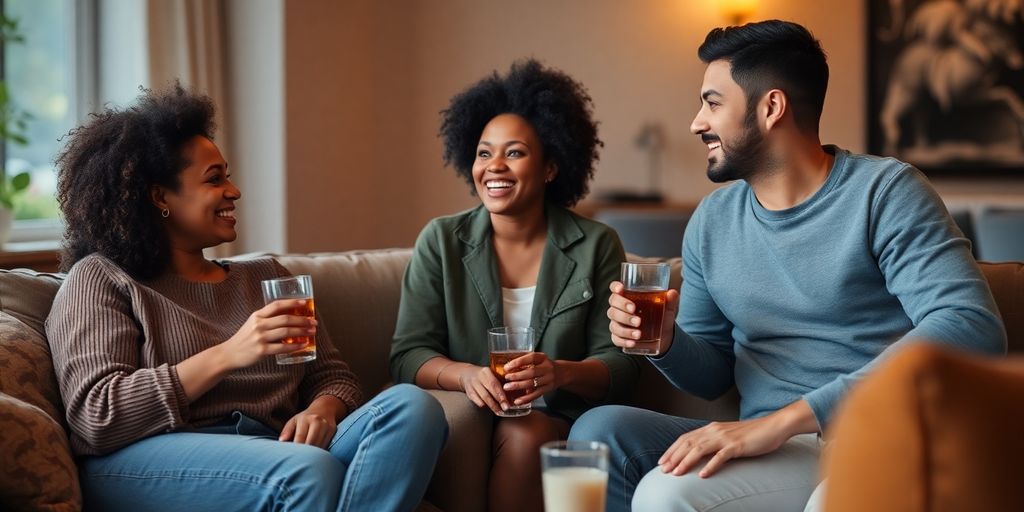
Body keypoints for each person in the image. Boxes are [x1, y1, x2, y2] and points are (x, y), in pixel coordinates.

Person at [569, 19, 1007, 512]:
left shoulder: (884, 193)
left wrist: (783, 421)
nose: (696, 122)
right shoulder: (712, 221)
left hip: (873, 435)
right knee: (599, 432)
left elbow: (972, 325)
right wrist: (667, 342)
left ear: (771, 107)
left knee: (812, 499)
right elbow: (711, 376)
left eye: (712, 103)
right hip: (769, 445)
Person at [46, 83, 447, 512]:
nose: (234, 191)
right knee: (308, 472)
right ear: (160, 196)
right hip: (150, 455)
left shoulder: (266, 278)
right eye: (214, 180)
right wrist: (231, 353)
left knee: (414, 407)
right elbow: (97, 415)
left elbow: (332, 377)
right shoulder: (102, 279)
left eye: (228, 176)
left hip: (275, 447)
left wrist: (323, 410)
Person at [390, 59, 641, 512]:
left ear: (550, 167)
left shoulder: (596, 244)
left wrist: (559, 372)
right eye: (484, 153)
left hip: (558, 418)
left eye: (515, 152)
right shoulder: (441, 240)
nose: (494, 167)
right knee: (497, 430)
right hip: (470, 412)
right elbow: (409, 354)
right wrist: (467, 376)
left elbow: (621, 366)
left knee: (525, 433)